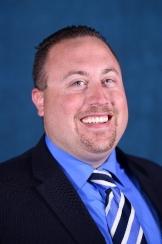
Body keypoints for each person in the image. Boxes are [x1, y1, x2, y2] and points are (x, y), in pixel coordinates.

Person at [0, 25, 161, 244]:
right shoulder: (5, 198)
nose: (100, 98)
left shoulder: (156, 178)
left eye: (108, 80)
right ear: (40, 102)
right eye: (78, 83)